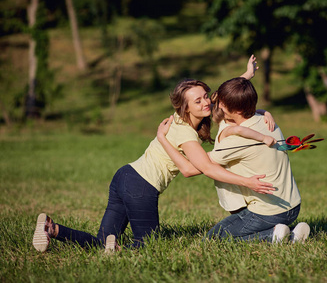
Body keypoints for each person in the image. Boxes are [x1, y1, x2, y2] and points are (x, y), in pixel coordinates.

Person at [32, 57, 276, 253]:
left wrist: (246, 77)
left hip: (124, 176)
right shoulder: (185, 134)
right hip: (142, 185)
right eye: (198, 100)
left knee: (102, 241)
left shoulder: (187, 118)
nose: (206, 103)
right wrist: (162, 139)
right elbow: (192, 170)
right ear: (185, 106)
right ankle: (119, 252)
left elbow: (228, 98)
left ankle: (52, 229)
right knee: (147, 244)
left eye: (205, 96)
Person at [157, 77, 310, 244]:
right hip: (293, 206)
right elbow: (229, 112)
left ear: (235, 110)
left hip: (268, 213)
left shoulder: (235, 141)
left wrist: (162, 138)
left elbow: (191, 168)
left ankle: (272, 235)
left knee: (213, 239)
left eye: (222, 104)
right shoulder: (268, 123)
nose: (217, 105)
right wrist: (262, 107)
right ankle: (293, 234)